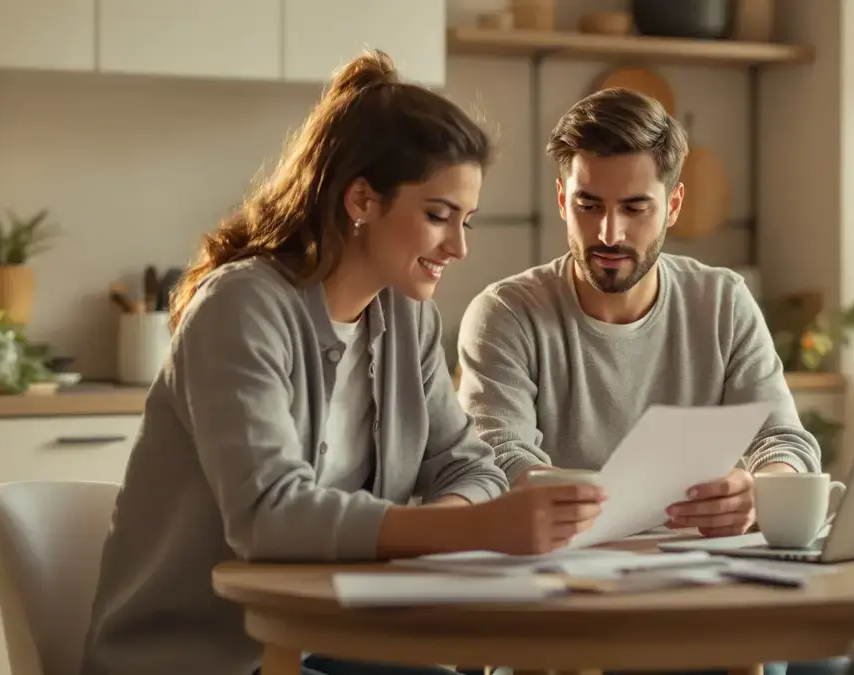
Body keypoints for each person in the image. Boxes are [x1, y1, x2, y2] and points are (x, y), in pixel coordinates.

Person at [78, 51, 605, 675]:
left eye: (466, 221)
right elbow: (270, 518)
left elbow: (470, 464)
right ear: (362, 200)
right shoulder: (241, 306)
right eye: (438, 216)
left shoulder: (406, 318)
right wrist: (472, 531)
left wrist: (456, 519)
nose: (458, 247)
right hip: (207, 659)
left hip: (336, 643)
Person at [455, 88, 844, 675]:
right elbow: (499, 461)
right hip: (562, 603)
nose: (609, 232)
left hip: (701, 594)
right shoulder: (506, 314)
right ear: (562, 199)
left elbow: (784, 442)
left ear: (674, 205)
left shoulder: (722, 302)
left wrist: (758, 490)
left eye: (636, 208)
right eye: (589, 205)